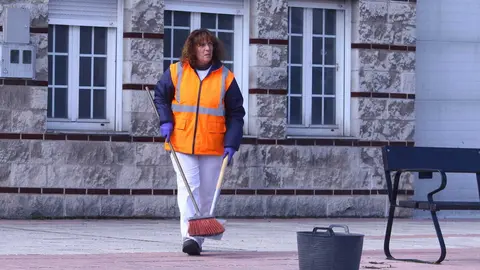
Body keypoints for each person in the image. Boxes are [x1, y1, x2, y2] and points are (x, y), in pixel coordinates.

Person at [153, 28, 246, 256]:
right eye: (201, 45)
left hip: (214, 145)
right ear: (191, 48)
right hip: (181, 142)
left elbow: (236, 113)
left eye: (210, 45)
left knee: (206, 193)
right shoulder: (176, 71)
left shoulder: (226, 77)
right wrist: (165, 120)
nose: (207, 48)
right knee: (189, 188)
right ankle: (189, 236)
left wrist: (232, 142)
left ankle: (198, 238)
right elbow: (160, 96)